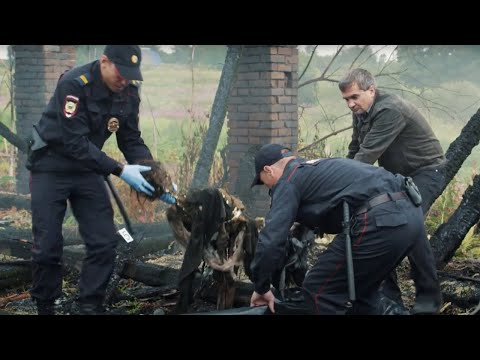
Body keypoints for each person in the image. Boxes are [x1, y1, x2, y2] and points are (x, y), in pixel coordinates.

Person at [26, 45, 175, 315]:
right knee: (48, 245)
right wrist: (120, 170)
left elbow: (130, 138)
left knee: (104, 241)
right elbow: (73, 142)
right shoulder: (74, 84)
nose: (125, 80)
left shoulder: (128, 92)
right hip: (51, 166)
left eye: (130, 75)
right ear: (104, 61)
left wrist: (154, 173)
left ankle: (90, 305)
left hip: (88, 169)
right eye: (121, 73)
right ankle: (47, 304)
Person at [249, 143, 428, 315]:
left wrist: (261, 286)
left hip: (380, 219)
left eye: (264, 183)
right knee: (362, 293)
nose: (268, 188)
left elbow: (271, 239)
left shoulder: (288, 180)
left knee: (319, 290)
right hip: (410, 213)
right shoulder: (317, 168)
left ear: (268, 170)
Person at [338, 68, 445, 314]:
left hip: (427, 172)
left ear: (371, 90)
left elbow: (366, 156)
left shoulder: (390, 110)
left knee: (409, 225)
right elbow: (355, 149)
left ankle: (429, 300)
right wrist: (337, 173)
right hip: (398, 177)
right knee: (382, 222)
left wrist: (337, 179)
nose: (350, 104)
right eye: (346, 99)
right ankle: (389, 297)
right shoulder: (363, 111)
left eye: (354, 97)